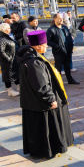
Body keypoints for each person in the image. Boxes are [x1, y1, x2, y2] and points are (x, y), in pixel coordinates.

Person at [17, 30, 73, 158]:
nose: (47, 46)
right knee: (46, 128)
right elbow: (40, 83)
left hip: (33, 101)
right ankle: (49, 149)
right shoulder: (34, 62)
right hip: (40, 103)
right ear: (37, 46)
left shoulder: (33, 56)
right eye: (45, 44)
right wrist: (51, 99)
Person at [46, 14, 79, 85]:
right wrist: (57, 46)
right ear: (55, 19)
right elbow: (48, 41)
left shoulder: (64, 27)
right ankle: (58, 82)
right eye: (59, 18)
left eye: (62, 18)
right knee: (58, 68)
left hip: (67, 51)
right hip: (58, 52)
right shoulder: (51, 29)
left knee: (67, 67)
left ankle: (70, 80)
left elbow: (69, 37)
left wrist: (71, 45)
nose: (61, 20)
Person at [0, 23, 20, 97]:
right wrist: (9, 59)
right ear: (5, 30)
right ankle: (10, 90)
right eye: (9, 28)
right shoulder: (1, 39)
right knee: (7, 75)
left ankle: (19, 87)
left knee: (16, 73)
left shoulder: (9, 37)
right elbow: (1, 52)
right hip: (7, 61)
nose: (10, 29)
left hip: (14, 59)